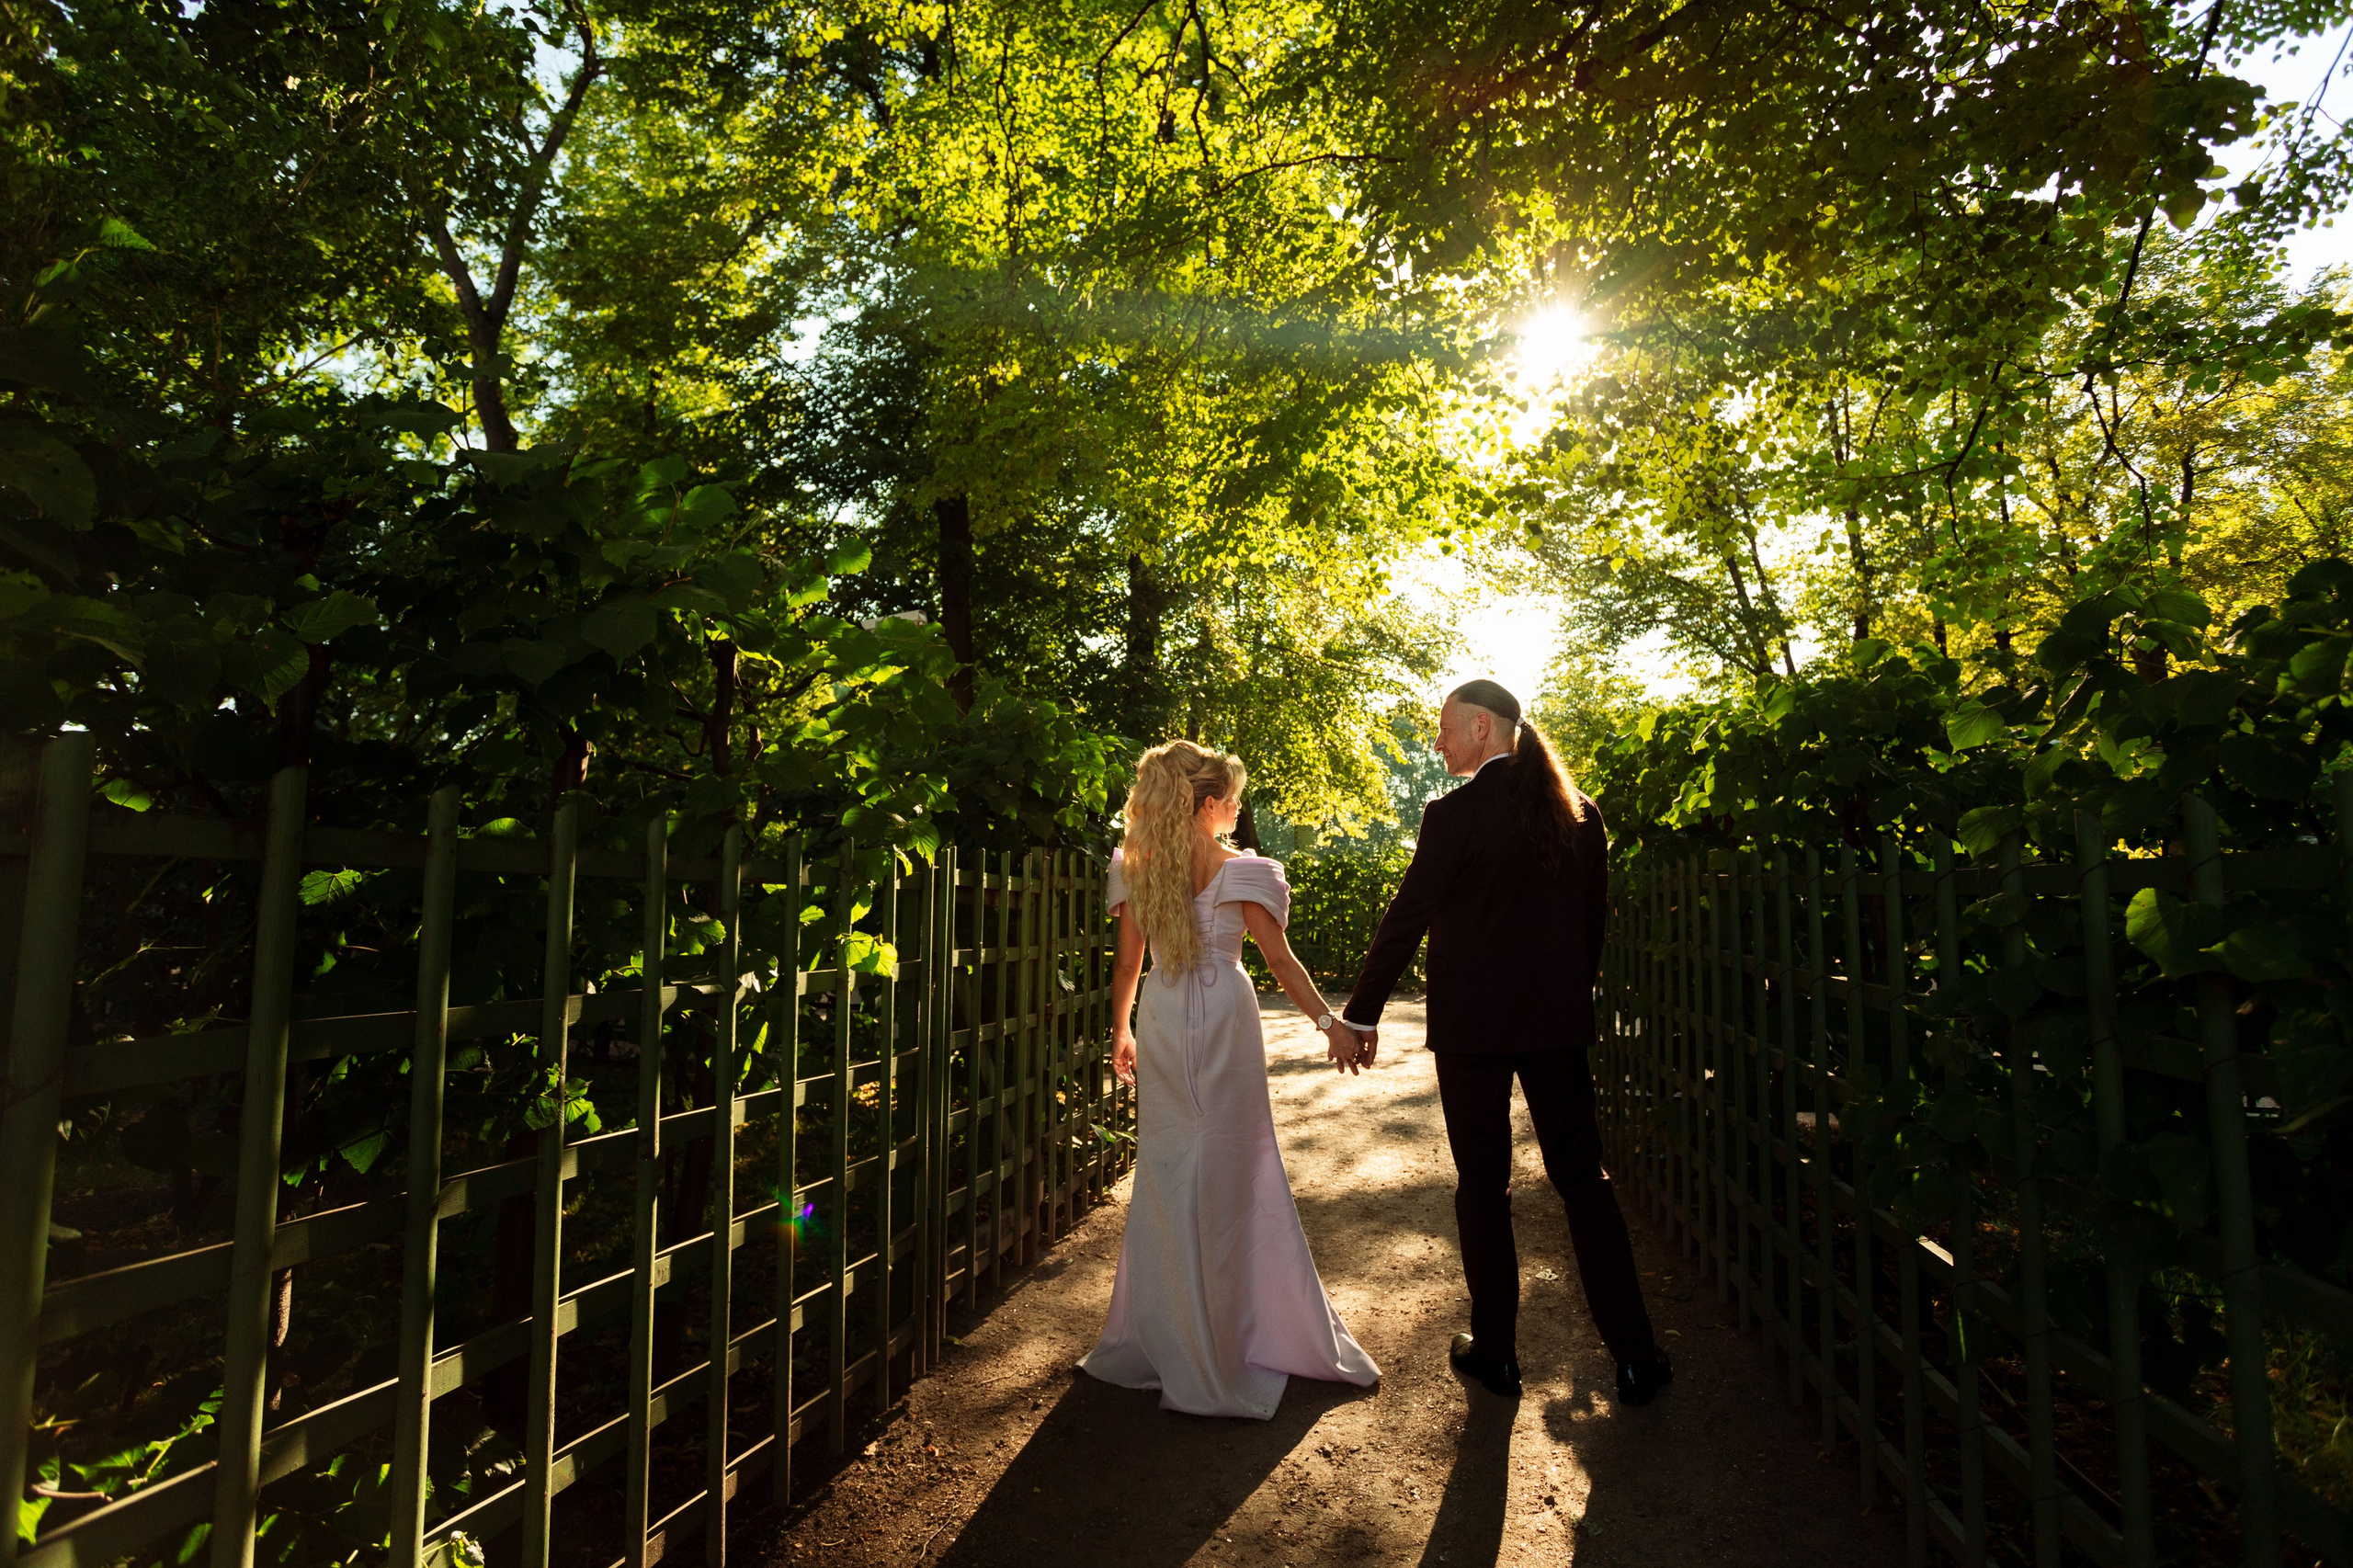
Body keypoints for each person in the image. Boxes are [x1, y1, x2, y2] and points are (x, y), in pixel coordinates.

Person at [1335, 679, 1673, 1404]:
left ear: (1482, 729)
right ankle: (1637, 1359)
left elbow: (1408, 916)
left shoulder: (1453, 816)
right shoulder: (1580, 814)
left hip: (1472, 1032)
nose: (1437, 742)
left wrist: (1360, 1016)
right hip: (1556, 1029)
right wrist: (1563, 1005)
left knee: (1483, 1187)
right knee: (1584, 1182)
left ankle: (1499, 1355)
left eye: (1445, 728)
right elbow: (1592, 930)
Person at [1077, 740, 1381, 1418]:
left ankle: (1172, 1330)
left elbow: (1127, 967)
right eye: (1234, 801)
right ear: (1208, 804)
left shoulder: (1134, 868)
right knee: (1234, 1163)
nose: (1239, 813)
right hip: (1222, 1018)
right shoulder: (1248, 874)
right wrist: (1330, 1022)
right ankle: (1231, 1326)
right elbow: (1282, 963)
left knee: (1168, 1165)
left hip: (1160, 1013)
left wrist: (1120, 1030)